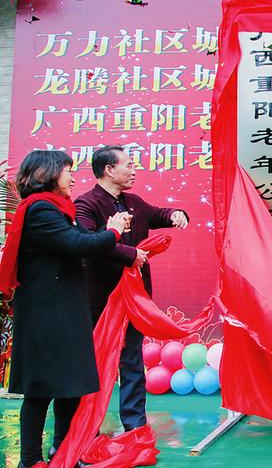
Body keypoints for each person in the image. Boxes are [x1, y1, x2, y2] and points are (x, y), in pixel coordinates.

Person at [0, 150, 127, 468]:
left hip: (63, 312)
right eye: (68, 171)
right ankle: (31, 459)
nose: (72, 177)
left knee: (69, 386)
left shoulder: (57, 210)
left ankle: (65, 452)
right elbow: (76, 243)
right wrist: (112, 231)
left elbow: (83, 236)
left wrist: (113, 238)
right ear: (47, 173)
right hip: (46, 314)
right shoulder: (40, 209)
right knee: (41, 389)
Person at [74, 145, 188, 433]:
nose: (134, 169)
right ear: (109, 170)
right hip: (100, 297)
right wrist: (128, 254)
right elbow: (86, 240)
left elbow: (159, 214)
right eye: (128, 164)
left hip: (133, 298)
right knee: (93, 362)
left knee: (133, 362)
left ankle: (135, 426)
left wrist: (177, 213)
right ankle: (83, 426)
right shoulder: (86, 204)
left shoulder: (134, 202)